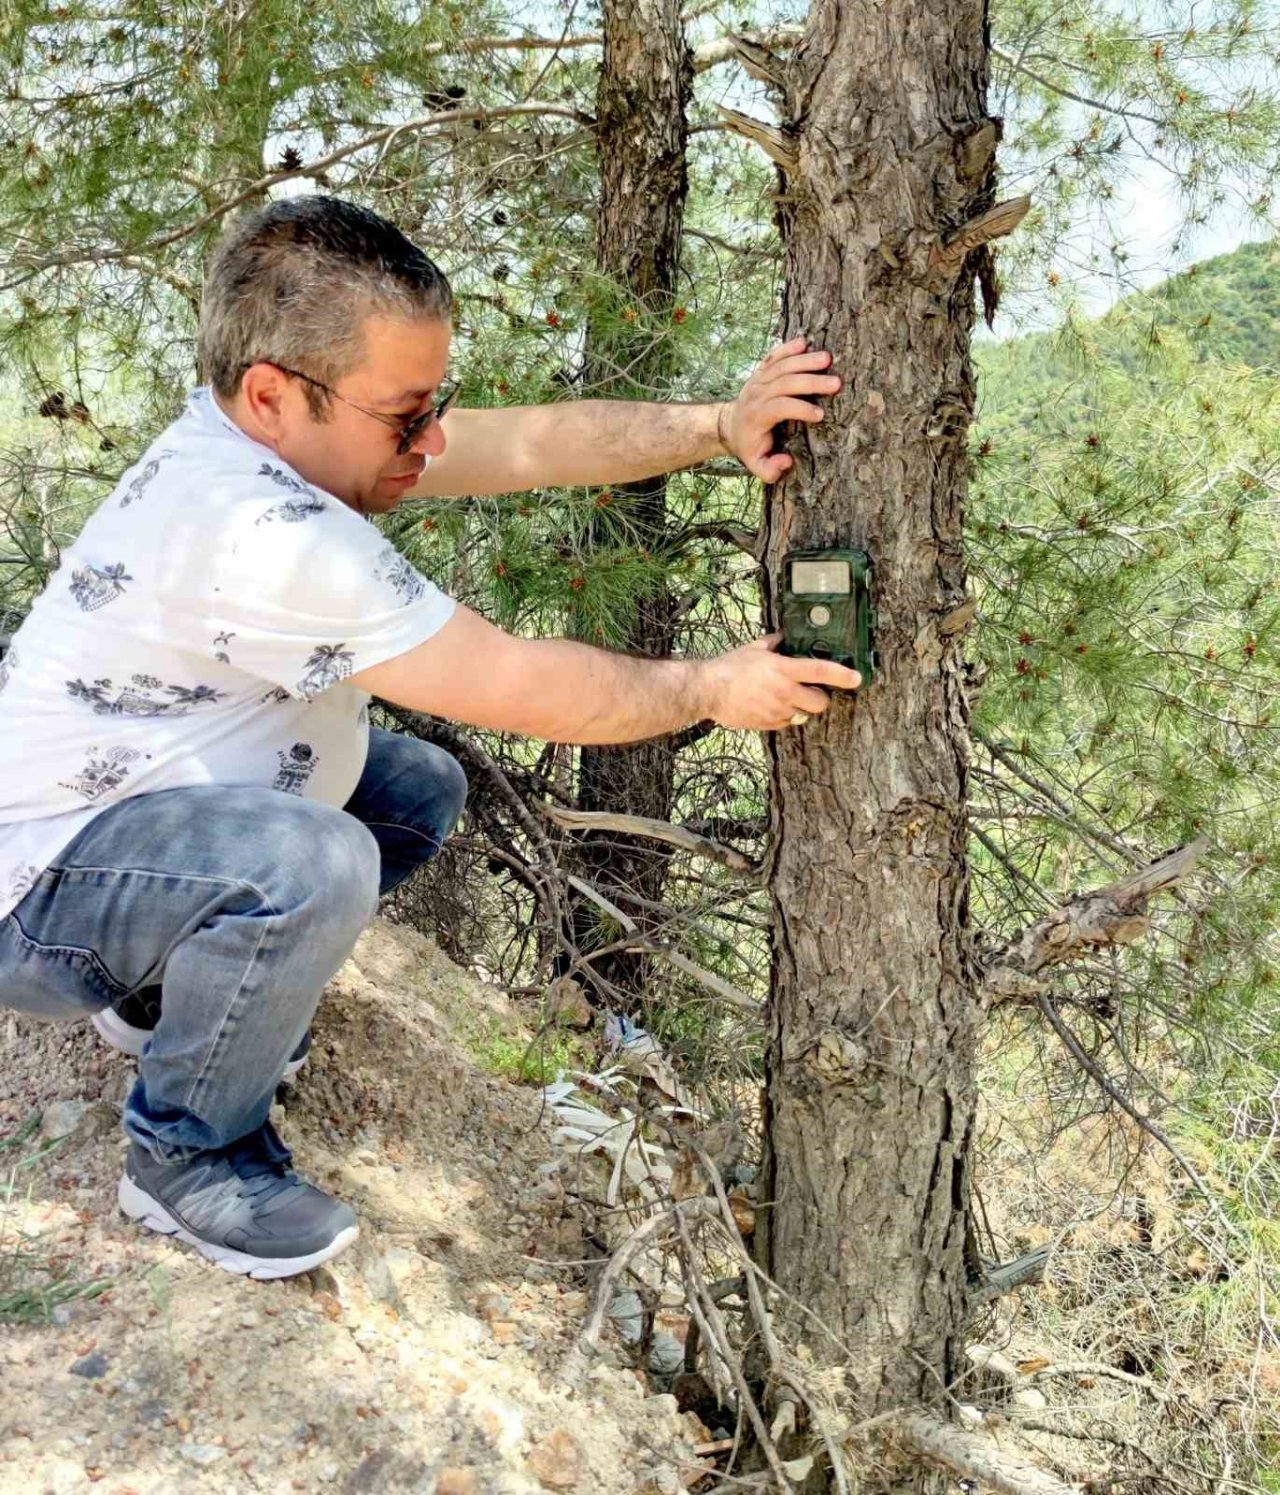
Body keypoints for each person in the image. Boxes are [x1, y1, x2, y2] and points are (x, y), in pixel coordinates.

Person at [0, 196, 857, 1280]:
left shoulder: (273, 436)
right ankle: (186, 1154)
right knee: (312, 860)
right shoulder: (257, 531)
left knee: (408, 787)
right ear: (271, 393)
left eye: (429, 406)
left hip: (127, 830)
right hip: (33, 903)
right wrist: (708, 686)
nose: (428, 438)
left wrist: (715, 427)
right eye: (403, 416)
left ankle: (163, 996)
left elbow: (519, 443)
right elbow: (511, 681)